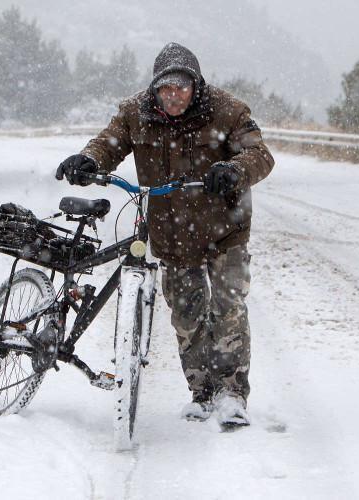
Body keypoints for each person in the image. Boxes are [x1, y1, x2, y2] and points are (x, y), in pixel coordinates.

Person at [55, 42, 274, 429]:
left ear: (196, 85)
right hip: (172, 232)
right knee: (187, 316)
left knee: (228, 310)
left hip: (226, 230)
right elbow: (108, 143)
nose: (173, 96)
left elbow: (259, 155)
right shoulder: (134, 113)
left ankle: (232, 395)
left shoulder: (228, 110)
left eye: (181, 88)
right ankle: (203, 393)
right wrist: (89, 159)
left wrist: (234, 170)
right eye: (165, 89)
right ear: (155, 89)